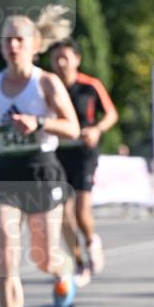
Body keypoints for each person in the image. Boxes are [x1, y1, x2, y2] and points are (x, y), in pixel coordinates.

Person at [0, 10, 80, 307]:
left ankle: (62, 272)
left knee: (44, 257)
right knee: (6, 258)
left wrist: (37, 122)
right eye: (7, 39)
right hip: (6, 171)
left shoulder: (46, 82)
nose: (13, 45)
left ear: (34, 46)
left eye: (20, 39)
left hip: (42, 170)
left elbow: (73, 128)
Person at [49, 39, 119, 283]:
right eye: (55, 58)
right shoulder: (48, 86)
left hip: (83, 152)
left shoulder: (90, 85)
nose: (60, 63)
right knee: (61, 215)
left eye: (65, 57)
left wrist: (97, 129)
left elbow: (111, 114)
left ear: (77, 59)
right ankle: (79, 263)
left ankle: (91, 241)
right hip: (56, 153)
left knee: (80, 210)